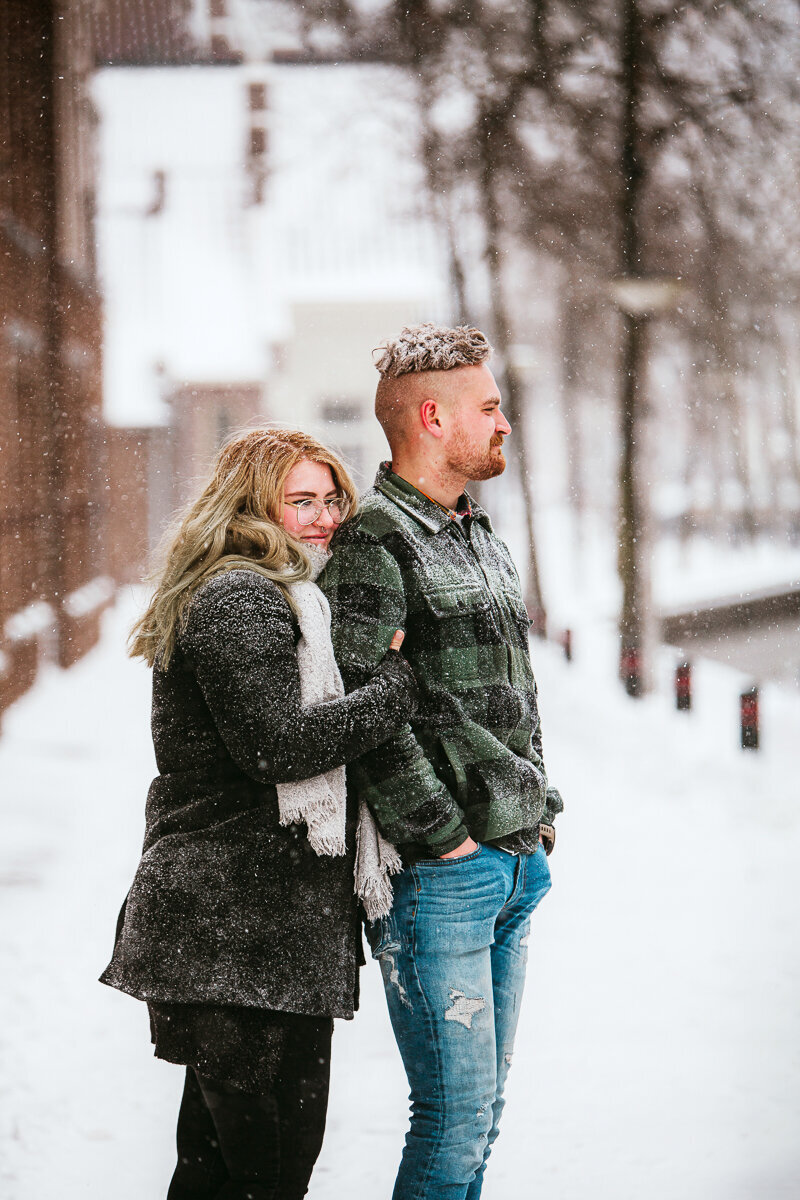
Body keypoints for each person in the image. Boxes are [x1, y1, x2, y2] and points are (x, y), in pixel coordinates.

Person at [100, 427, 418, 1200]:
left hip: (258, 936)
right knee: (267, 1174)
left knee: (216, 1171)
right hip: (233, 929)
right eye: (300, 500)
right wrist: (394, 687)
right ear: (252, 506)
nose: (324, 516)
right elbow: (278, 746)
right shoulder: (241, 595)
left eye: (332, 497)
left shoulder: (283, 594)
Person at [320, 323, 563, 1200]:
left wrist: (535, 822)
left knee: (483, 1116)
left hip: (512, 863)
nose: (504, 424)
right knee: (451, 1122)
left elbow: (510, 696)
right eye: (490, 408)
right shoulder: (373, 541)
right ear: (432, 416)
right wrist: (442, 838)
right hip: (442, 880)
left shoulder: (479, 535)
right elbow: (362, 710)